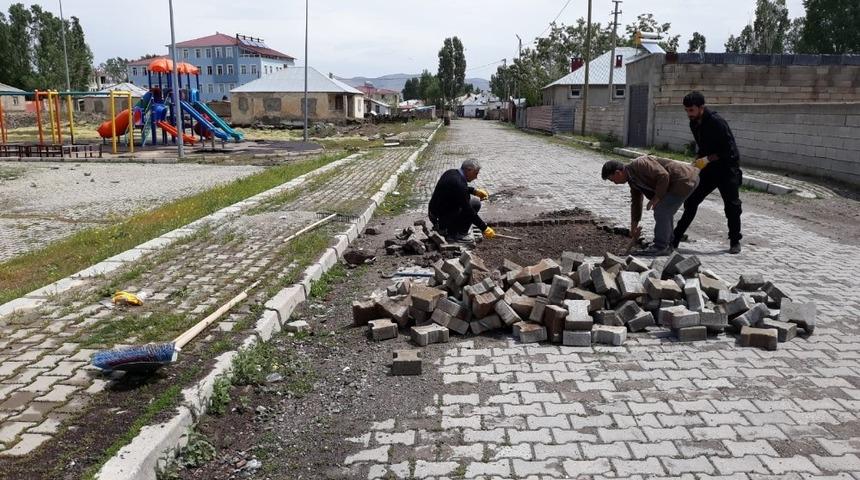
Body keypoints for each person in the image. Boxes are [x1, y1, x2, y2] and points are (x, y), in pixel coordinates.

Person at [672, 91, 744, 254]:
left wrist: (708, 159)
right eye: (686, 110)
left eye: (691, 110)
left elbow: (729, 150)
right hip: (709, 170)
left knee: (732, 206)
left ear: (701, 107)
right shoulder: (694, 123)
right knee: (691, 201)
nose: (689, 114)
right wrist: (698, 162)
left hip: (727, 168)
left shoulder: (717, 122)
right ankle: (675, 238)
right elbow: (703, 147)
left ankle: (735, 241)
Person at [602, 156, 699, 256]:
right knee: (664, 210)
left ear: (618, 173)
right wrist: (633, 226)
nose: (615, 183)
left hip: (684, 178)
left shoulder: (640, 164)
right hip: (678, 182)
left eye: (612, 180)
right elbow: (636, 202)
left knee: (662, 210)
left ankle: (661, 246)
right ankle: (668, 244)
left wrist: (656, 198)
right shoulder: (632, 180)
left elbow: (663, 175)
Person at [428, 159, 495, 243]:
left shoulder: (451, 173)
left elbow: (457, 188)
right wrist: (484, 228)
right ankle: (455, 235)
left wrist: (475, 191)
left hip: (434, 213)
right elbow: (469, 211)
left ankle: (450, 229)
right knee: (473, 205)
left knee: (474, 202)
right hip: (439, 219)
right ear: (469, 170)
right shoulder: (459, 184)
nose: (476, 177)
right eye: (476, 173)